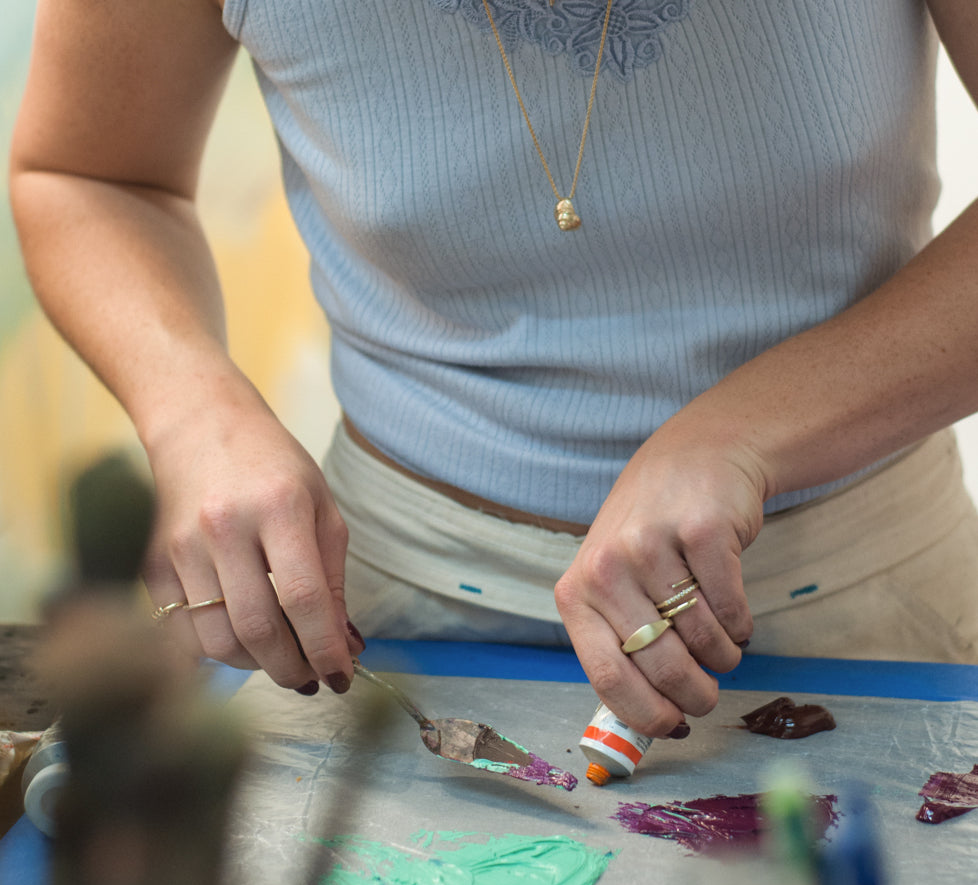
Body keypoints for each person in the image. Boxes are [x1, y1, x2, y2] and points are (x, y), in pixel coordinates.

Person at [10, 0, 978, 740]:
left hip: (863, 611)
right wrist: (193, 416)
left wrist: (746, 436)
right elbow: (89, 173)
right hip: (381, 625)